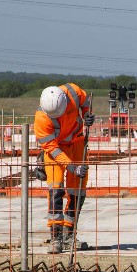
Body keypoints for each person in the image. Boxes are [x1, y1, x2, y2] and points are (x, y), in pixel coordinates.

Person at [34, 84, 95, 253]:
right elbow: (51, 148)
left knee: (78, 190)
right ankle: (56, 237)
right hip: (56, 150)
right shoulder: (41, 118)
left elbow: (85, 101)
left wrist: (87, 114)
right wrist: (71, 166)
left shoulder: (73, 92)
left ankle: (69, 234)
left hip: (77, 143)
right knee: (56, 190)